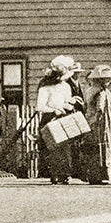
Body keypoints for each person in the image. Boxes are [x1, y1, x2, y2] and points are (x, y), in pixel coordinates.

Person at [36, 55, 83, 185]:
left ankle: (65, 174)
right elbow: (40, 106)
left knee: (66, 148)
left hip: (63, 117)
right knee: (53, 148)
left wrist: (70, 104)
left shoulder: (65, 87)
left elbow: (66, 101)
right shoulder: (45, 88)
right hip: (50, 118)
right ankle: (54, 173)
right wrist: (54, 110)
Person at [82, 64, 111, 183]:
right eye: (107, 79)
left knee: (92, 148)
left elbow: (86, 106)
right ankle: (102, 174)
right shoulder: (101, 92)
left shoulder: (89, 91)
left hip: (90, 121)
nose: (109, 81)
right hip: (100, 123)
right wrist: (98, 120)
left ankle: (93, 174)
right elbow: (100, 108)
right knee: (101, 146)